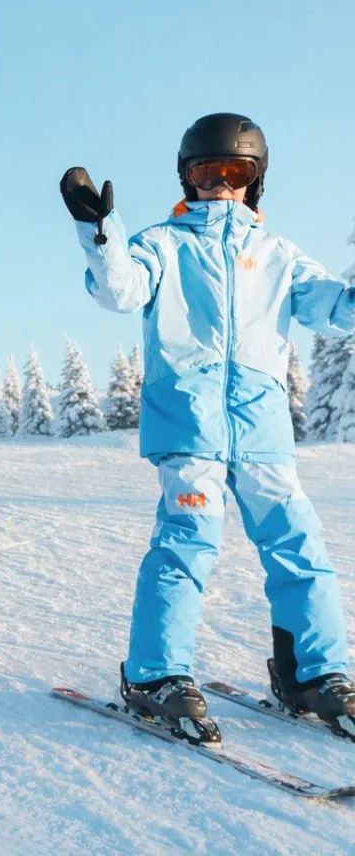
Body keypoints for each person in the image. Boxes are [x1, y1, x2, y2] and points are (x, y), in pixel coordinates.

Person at [61, 112, 355, 739]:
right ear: (187, 179)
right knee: (189, 539)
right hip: (190, 420)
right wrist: (99, 231)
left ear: (255, 181)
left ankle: (315, 673)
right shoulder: (161, 242)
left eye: (235, 171)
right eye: (207, 172)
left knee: (300, 546)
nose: (221, 184)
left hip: (261, 425)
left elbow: (331, 307)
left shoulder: (278, 255)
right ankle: (155, 676)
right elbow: (119, 291)